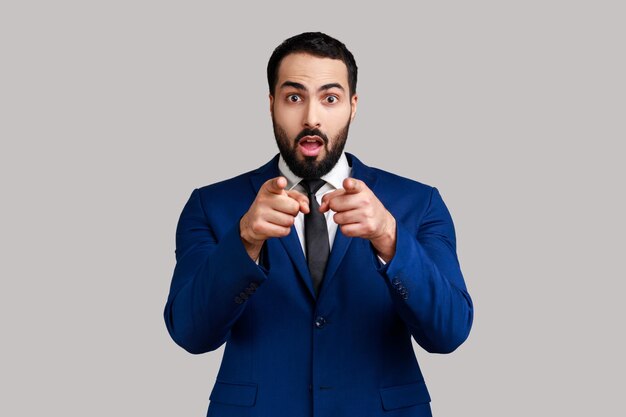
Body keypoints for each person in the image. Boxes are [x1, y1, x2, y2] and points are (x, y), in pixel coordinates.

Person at [164, 32, 473, 417]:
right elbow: (191, 335)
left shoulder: (419, 202)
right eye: (294, 97)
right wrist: (244, 241)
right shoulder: (210, 205)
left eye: (330, 98)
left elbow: (449, 333)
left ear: (352, 106)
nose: (311, 117)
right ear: (272, 104)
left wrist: (391, 240)